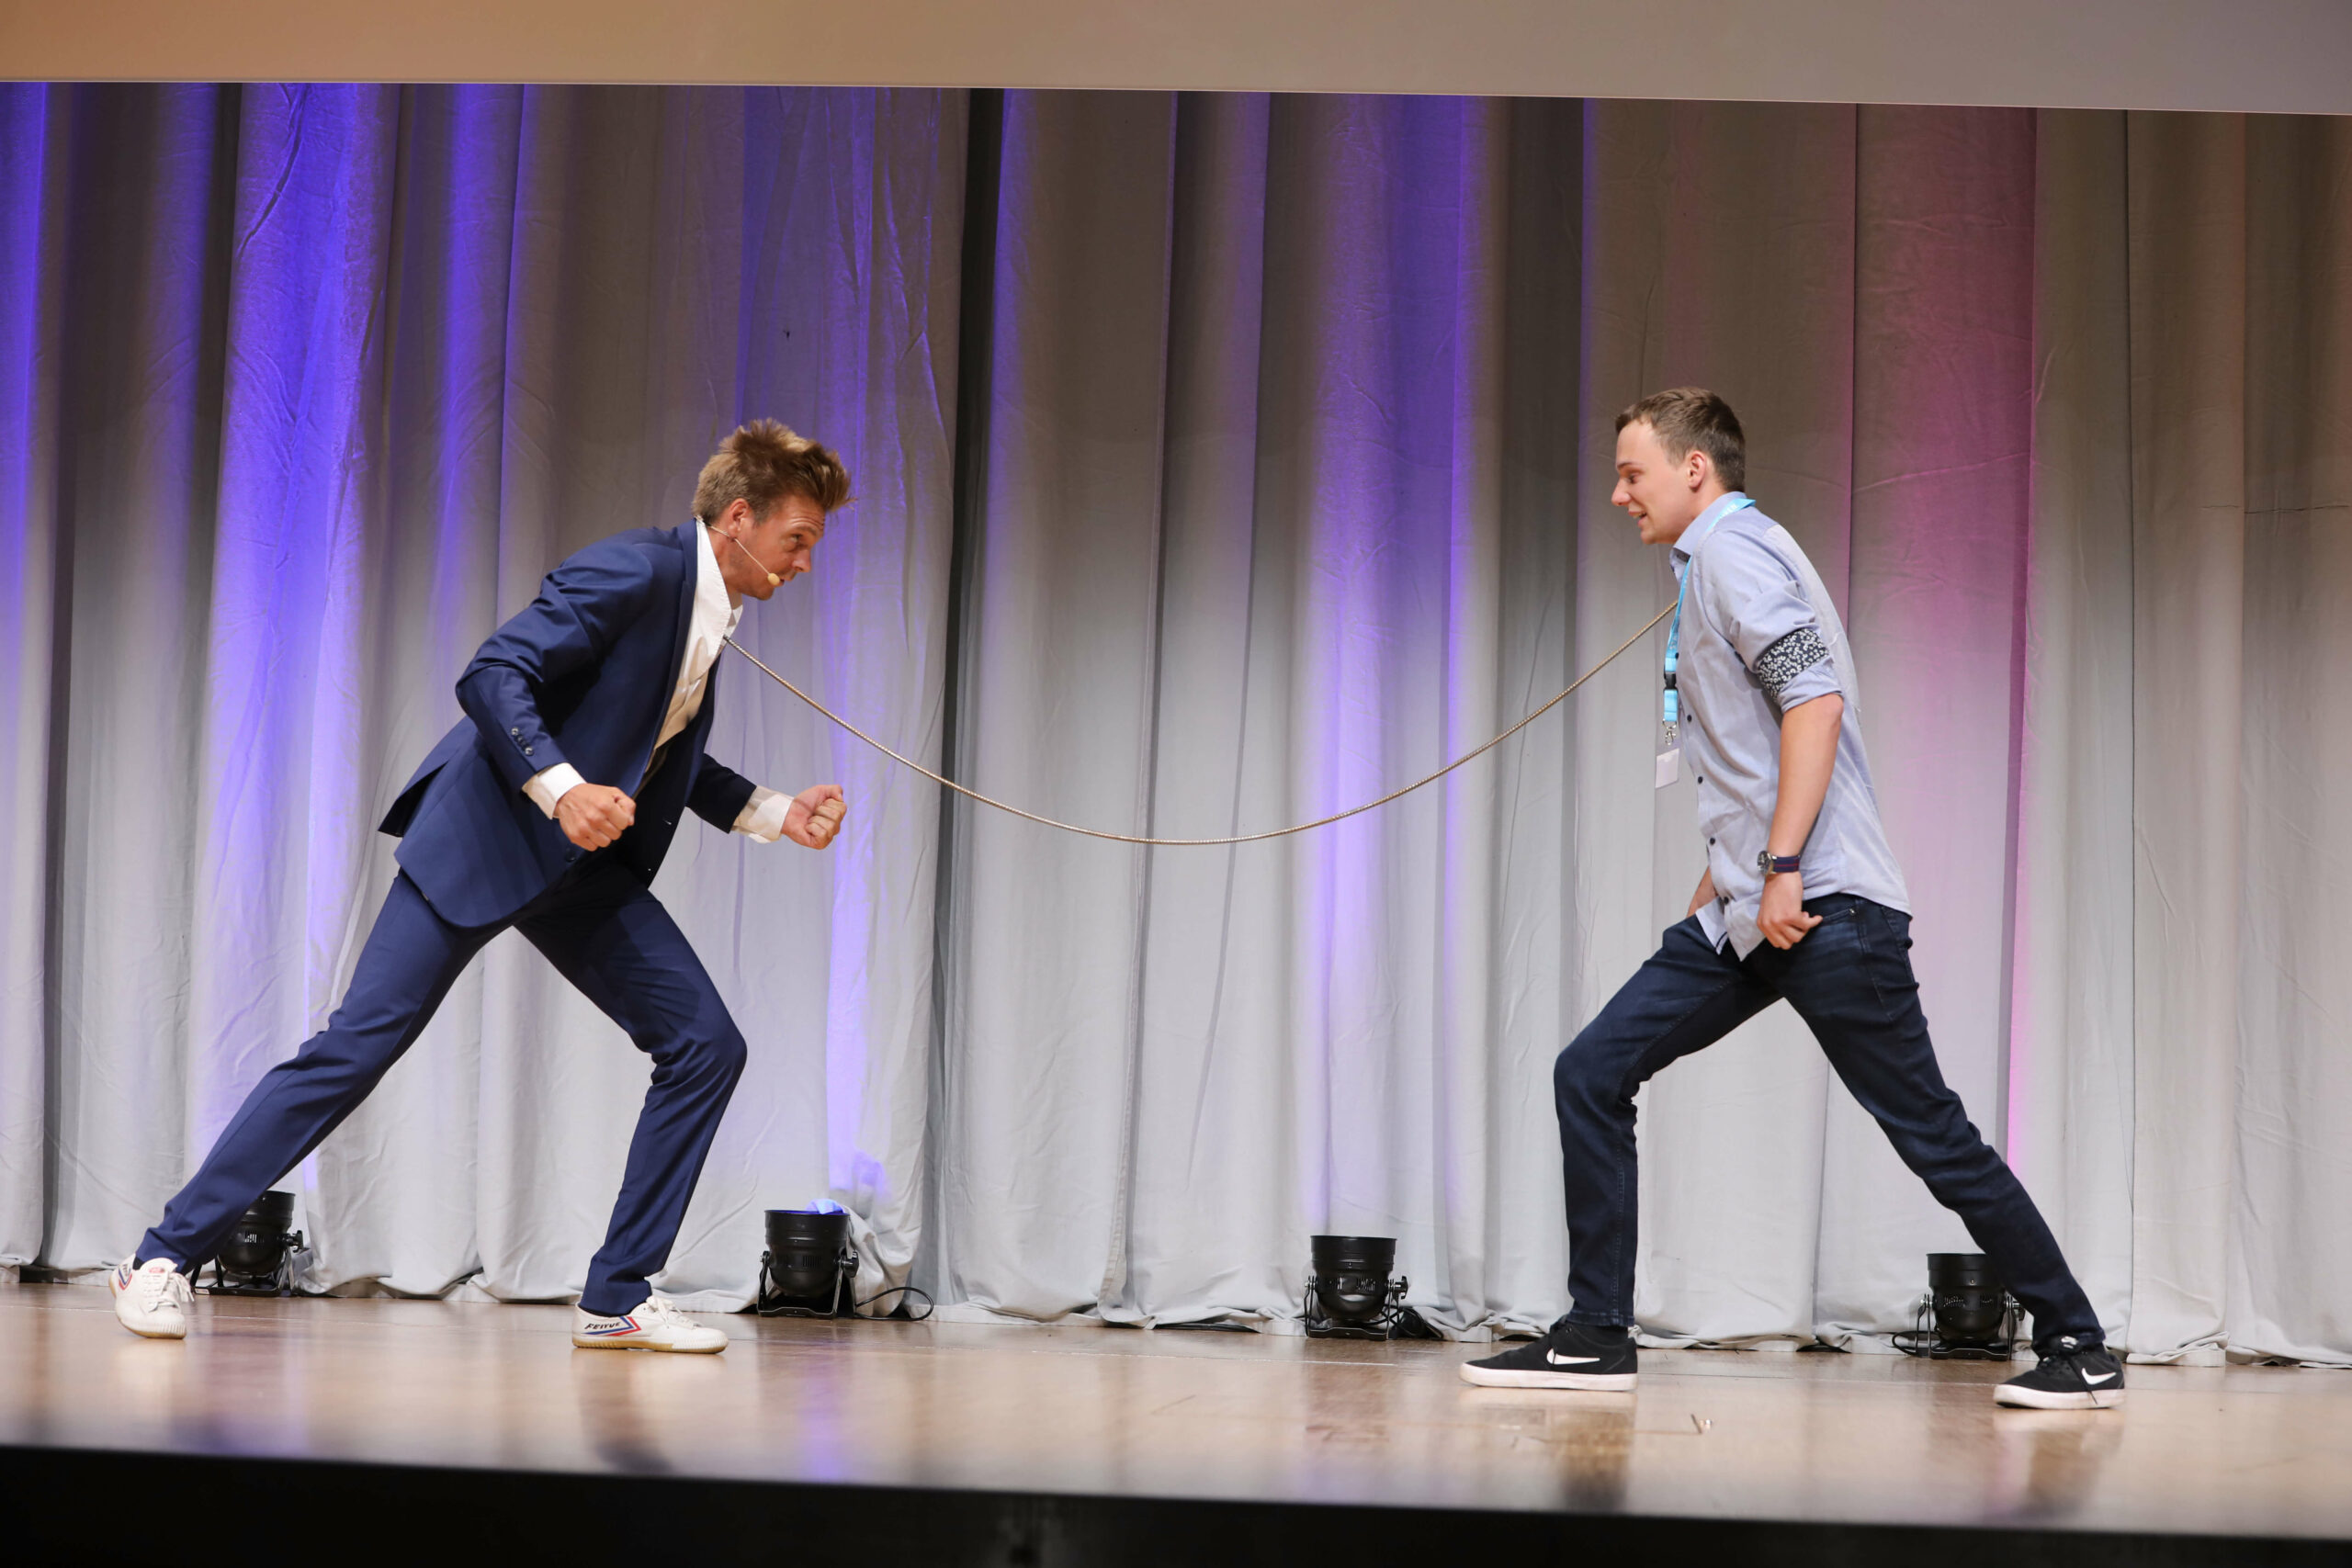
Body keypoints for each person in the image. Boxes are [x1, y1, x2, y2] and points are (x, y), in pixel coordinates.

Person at [108, 420, 853, 1355]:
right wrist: (564, 790)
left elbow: (647, 744)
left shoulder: (707, 615)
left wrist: (773, 811)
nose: (805, 563)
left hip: (579, 868)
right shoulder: (637, 571)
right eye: (798, 539)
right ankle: (161, 1257)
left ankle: (617, 1294)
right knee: (354, 1050)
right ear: (738, 518)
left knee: (706, 1045)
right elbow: (495, 672)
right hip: (487, 836)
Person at [1461, 389, 2121, 1411]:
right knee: (1591, 1070)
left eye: (1632, 472)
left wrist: (1779, 866)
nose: (1618, 493)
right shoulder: (1713, 564)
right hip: (1750, 908)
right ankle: (1594, 1333)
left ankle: (2080, 1342)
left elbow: (1813, 702)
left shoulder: (1735, 555)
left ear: (1693, 469)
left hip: (1821, 906)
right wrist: (1726, 882)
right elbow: (1751, 753)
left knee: (1930, 1134)